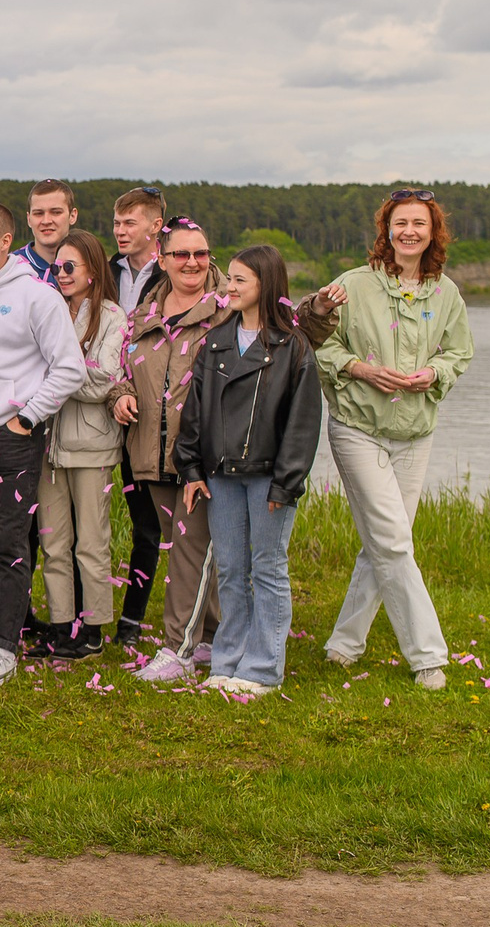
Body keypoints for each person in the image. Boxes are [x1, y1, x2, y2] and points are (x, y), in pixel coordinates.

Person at [316, 189, 473, 691]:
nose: (409, 231)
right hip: (357, 428)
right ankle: (428, 657)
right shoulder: (352, 284)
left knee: (383, 543)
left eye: (419, 224)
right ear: (386, 230)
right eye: (400, 223)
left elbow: (459, 353)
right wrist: (360, 369)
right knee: (393, 540)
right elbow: (318, 342)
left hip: (415, 433)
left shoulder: (446, 293)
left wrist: (435, 372)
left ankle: (344, 644)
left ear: (433, 233)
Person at [175, 244, 326, 696]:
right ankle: (227, 662)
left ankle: (263, 669)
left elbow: (303, 424)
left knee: (268, 569)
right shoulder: (216, 341)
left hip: (268, 479)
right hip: (220, 476)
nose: (230, 287)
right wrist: (191, 468)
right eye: (230, 278)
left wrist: (287, 483)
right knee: (230, 570)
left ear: (267, 284)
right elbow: (195, 410)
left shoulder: (293, 346)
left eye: (240, 280)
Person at [0, 202, 84, 688]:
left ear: (5, 242)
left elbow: (70, 367)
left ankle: (6, 647)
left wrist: (27, 417)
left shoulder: (37, 297)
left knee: (10, 545)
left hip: (13, 436)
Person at [107, 217, 224, 682]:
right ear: (162, 257)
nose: (192, 262)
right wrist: (120, 397)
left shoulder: (229, 309)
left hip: (203, 457)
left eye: (201, 253)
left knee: (189, 551)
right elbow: (122, 373)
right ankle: (212, 637)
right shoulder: (143, 315)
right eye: (181, 254)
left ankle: (178, 649)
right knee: (185, 545)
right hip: (151, 455)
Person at [30, 228, 126, 661]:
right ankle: (60, 624)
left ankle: (93, 628)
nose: (62, 273)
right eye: (57, 267)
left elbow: (103, 380)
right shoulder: (49, 309)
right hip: (48, 444)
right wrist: (65, 372)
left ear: (93, 270)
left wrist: (58, 375)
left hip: (91, 444)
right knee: (53, 543)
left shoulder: (112, 317)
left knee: (91, 542)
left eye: (70, 266)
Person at [108, 185, 168, 645]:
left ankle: (131, 620)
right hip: (97, 401)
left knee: (147, 521)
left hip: (145, 408)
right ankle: (79, 613)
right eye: (117, 222)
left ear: (156, 226)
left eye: (130, 222)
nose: (121, 231)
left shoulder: (175, 271)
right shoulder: (105, 270)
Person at [17, 179, 79, 280]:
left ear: (72, 216)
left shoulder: (90, 265)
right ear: (29, 219)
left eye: (56, 212)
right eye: (38, 213)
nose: (46, 221)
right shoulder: (10, 267)